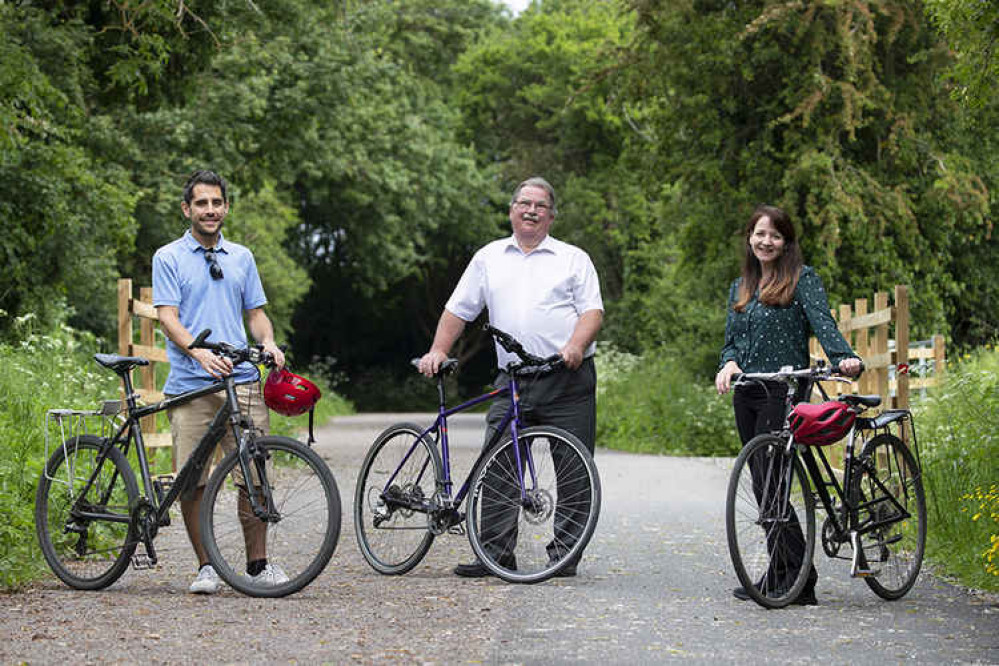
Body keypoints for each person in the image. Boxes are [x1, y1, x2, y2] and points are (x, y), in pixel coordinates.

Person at [418, 177, 604, 578]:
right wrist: (439, 349)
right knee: (498, 463)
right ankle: (495, 554)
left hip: (566, 377)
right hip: (514, 378)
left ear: (551, 215)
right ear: (511, 210)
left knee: (573, 467)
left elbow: (592, 312)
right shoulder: (489, 257)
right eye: (524, 203)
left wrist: (574, 345)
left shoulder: (573, 258)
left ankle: (565, 557)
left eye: (539, 205)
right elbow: (458, 311)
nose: (531, 210)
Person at [715, 204, 862, 606]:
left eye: (775, 236)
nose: (766, 242)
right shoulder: (739, 286)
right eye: (759, 234)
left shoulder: (802, 279)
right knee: (763, 483)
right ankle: (790, 573)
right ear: (749, 237)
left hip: (785, 388)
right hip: (748, 388)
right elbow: (732, 341)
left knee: (773, 481)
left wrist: (843, 358)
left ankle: (793, 578)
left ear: (786, 242)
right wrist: (727, 363)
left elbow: (824, 324)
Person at [152, 169, 287, 594]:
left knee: (254, 473)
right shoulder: (168, 257)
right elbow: (167, 317)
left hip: (242, 379)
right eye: (201, 204)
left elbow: (256, 313)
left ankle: (258, 565)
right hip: (191, 384)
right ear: (186, 209)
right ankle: (206, 566)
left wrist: (268, 341)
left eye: (216, 203)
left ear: (226, 207)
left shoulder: (242, 257)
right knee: (192, 479)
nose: (210, 210)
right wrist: (197, 351)